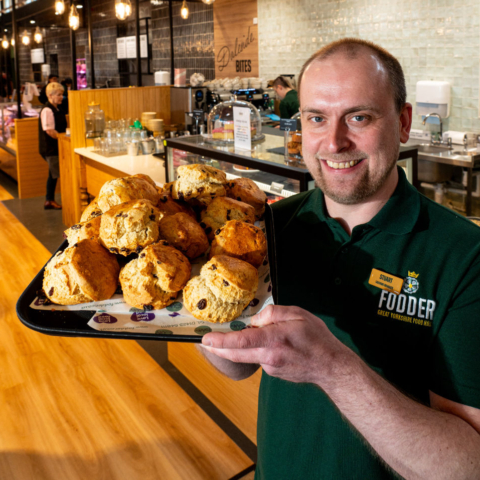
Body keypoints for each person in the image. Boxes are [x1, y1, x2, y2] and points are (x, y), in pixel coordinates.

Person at [199, 38, 480, 479]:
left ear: (403, 123)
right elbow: (234, 366)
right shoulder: (271, 228)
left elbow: (466, 467)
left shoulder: (464, 256)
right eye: (316, 118)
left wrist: (333, 369)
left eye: (359, 117)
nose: (334, 142)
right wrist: (193, 305)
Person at [39, 82, 66, 210]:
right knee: (55, 174)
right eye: (59, 95)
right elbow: (49, 130)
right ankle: (49, 200)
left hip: (55, 147)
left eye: (62, 95)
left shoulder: (57, 108)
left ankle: (49, 200)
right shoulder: (47, 110)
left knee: (52, 174)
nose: (61, 97)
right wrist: (62, 138)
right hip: (50, 148)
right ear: (50, 95)